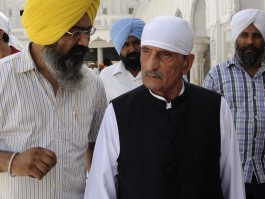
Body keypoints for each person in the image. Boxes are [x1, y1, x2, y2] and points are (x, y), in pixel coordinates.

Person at [85, 16, 245, 199]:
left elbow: (232, 183)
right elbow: (100, 189)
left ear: (187, 63)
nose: (151, 64)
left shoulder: (215, 108)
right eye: (146, 52)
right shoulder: (118, 112)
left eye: (165, 55)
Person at [0, 0, 107, 198]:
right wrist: (12, 162)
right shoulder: (2, 78)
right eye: (75, 32)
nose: (85, 42)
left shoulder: (93, 85)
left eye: (87, 32)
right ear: (47, 31)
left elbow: (97, 153)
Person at [203, 9, 265, 199]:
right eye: (244, 35)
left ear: (264, 39)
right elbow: (203, 125)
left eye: (256, 36)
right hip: (229, 175)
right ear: (236, 37)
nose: (250, 42)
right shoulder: (217, 75)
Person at [99, 17, 145, 102]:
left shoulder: (157, 73)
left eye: (137, 43)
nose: (132, 49)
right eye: (126, 44)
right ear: (118, 47)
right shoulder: (106, 76)